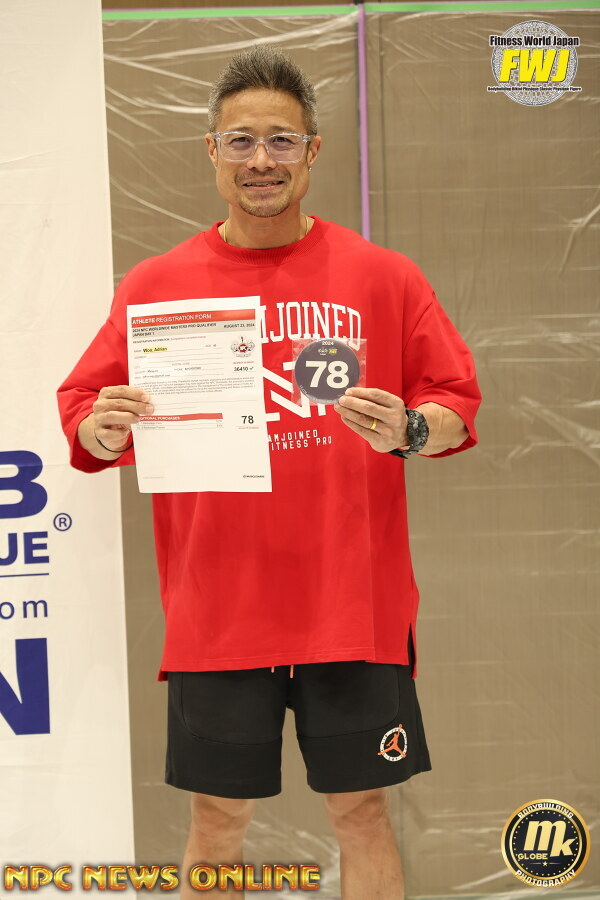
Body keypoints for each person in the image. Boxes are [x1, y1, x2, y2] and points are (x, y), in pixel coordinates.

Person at [57, 47, 481, 900]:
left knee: (362, 813)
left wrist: (410, 429)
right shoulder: (158, 287)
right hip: (220, 608)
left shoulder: (384, 277)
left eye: (282, 141)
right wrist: (100, 428)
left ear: (313, 151)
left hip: (352, 605)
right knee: (216, 820)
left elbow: (456, 406)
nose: (262, 160)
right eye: (241, 141)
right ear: (212, 150)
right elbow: (84, 410)